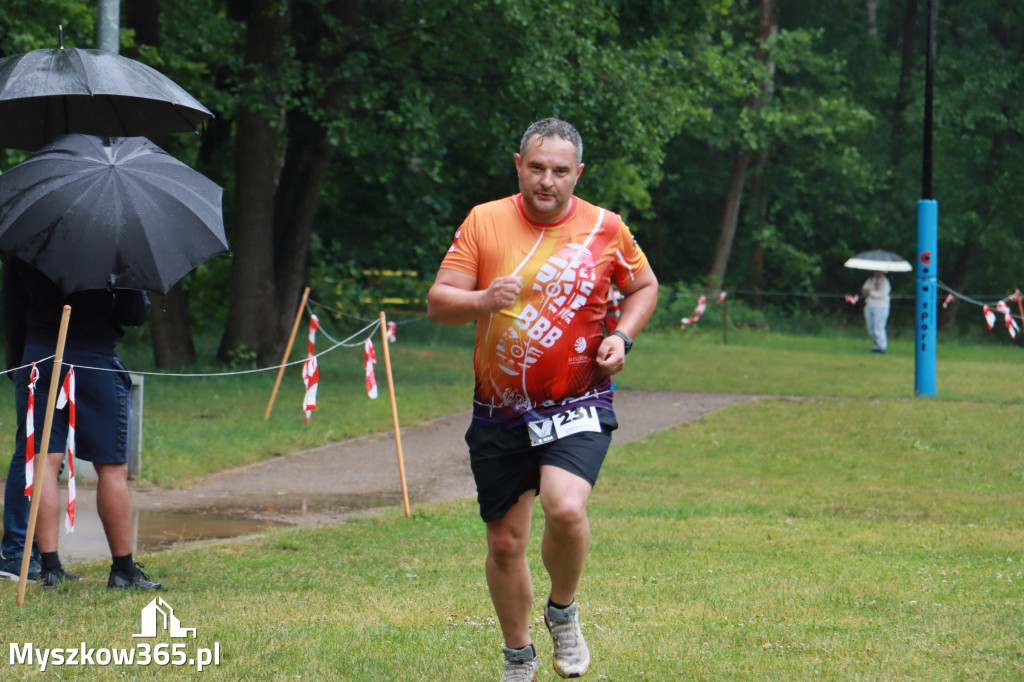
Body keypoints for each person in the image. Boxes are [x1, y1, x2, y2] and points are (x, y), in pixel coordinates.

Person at [427, 118, 658, 681]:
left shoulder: (606, 227)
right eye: (536, 168)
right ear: (518, 166)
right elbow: (439, 302)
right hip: (499, 409)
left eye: (560, 171)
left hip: (577, 401)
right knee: (506, 542)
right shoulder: (485, 220)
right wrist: (483, 298)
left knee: (566, 506)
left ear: (577, 173)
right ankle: (518, 655)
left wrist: (621, 336)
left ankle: (564, 610)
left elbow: (644, 287)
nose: (546, 181)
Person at [0, 255, 161, 589]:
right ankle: (123, 571)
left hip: (38, 357)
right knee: (111, 468)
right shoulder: (115, 242)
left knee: (44, 461)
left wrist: (19, 363)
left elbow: (12, 310)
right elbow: (134, 314)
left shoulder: (26, 238)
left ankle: (50, 568)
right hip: (95, 359)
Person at [861, 270, 891, 353]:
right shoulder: (870, 280)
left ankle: (882, 347)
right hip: (869, 305)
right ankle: (876, 346)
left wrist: (870, 292)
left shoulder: (885, 282)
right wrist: (871, 291)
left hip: (881, 306)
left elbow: (881, 294)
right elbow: (864, 289)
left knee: (878, 327)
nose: (877, 273)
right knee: (870, 327)